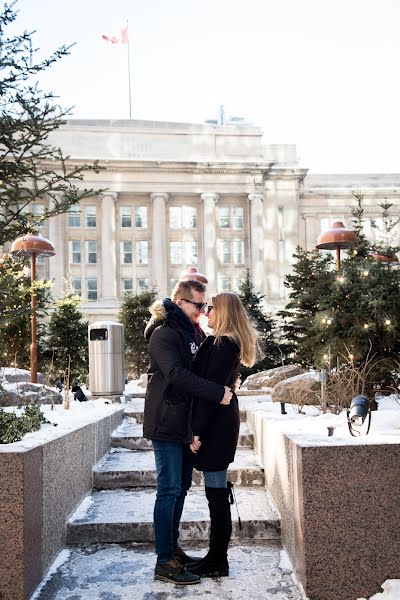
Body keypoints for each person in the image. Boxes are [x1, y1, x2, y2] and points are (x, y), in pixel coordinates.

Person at [143, 279, 233, 585]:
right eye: (198, 305)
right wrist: (217, 391)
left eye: (205, 306)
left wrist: (229, 380)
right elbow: (178, 375)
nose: (203, 310)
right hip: (166, 421)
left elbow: (204, 368)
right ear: (180, 302)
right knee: (168, 489)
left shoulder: (191, 331)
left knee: (180, 488)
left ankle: (172, 549)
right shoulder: (164, 333)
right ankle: (163, 561)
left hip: (183, 422)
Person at [188, 291, 257, 578]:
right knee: (216, 492)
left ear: (225, 312)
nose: (207, 313)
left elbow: (212, 392)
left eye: (212, 308)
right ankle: (216, 557)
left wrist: (196, 431)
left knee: (216, 494)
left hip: (215, 426)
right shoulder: (225, 343)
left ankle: (217, 560)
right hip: (219, 423)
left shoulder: (222, 344)